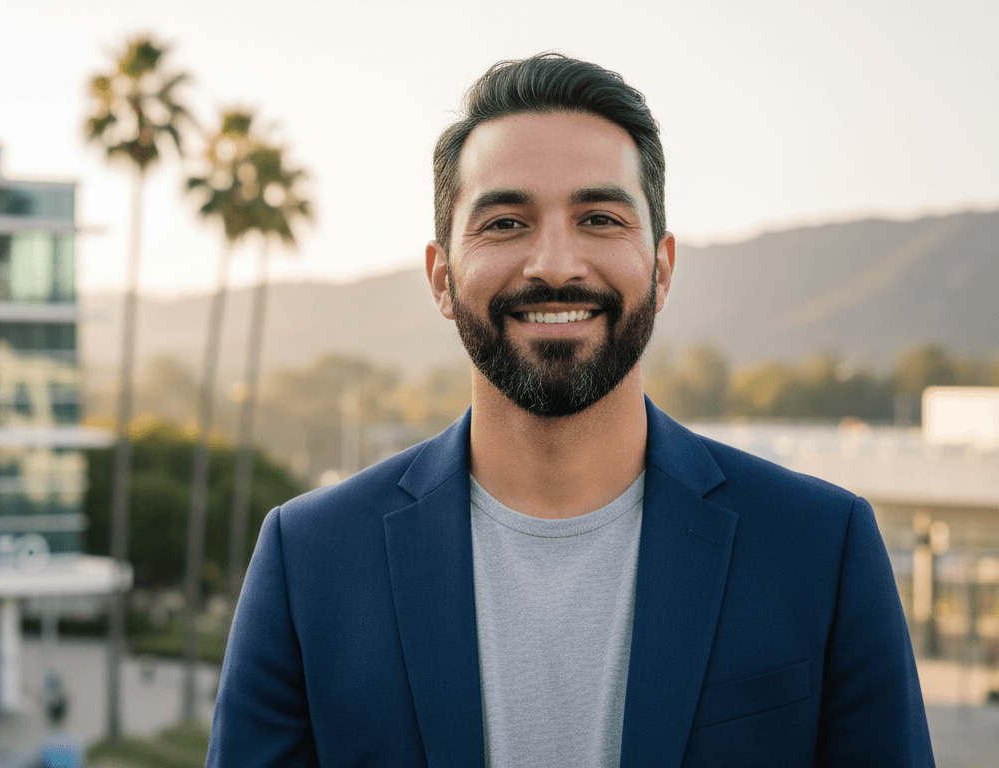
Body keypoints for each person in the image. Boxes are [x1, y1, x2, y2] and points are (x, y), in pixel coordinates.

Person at [207, 52, 933, 767]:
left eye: (600, 218)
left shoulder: (821, 548)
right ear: (441, 278)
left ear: (662, 268)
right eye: (504, 223)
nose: (554, 264)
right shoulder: (310, 560)